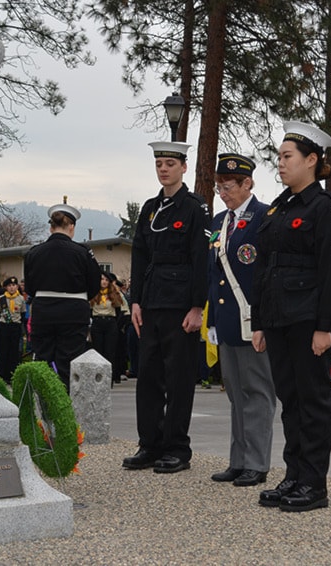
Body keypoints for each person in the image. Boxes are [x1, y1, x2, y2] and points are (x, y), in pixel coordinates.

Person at [251, 121, 331, 512]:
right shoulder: (278, 208)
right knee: (289, 400)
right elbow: (262, 267)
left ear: (312, 160)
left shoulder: (328, 209)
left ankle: (314, 483)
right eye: (278, 156)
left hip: (308, 319)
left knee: (312, 402)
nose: (280, 163)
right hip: (277, 318)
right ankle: (293, 476)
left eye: (287, 156)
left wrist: (325, 326)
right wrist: (258, 321)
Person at [122, 140, 211, 474]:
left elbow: (201, 258)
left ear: (183, 167)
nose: (163, 169)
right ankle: (150, 444)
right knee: (148, 378)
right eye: (159, 163)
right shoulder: (149, 208)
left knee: (178, 378)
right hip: (152, 302)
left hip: (179, 306)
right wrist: (136, 302)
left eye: (170, 164)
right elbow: (140, 255)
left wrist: (196, 306)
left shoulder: (194, 207)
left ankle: (176, 447)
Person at [207, 153, 276, 487]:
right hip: (227, 320)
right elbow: (214, 273)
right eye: (219, 186)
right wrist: (212, 320)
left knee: (257, 392)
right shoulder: (219, 221)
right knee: (235, 393)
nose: (223, 192)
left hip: (253, 321)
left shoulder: (264, 218)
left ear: (248, 183)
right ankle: (238, 459)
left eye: (229, 186)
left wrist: (263, 320)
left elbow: (265, 276)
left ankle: (257, 462)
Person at [24, 199, 102, 391]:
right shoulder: (83, 253)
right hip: (73, 313)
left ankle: (42, 410)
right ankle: (66, 412)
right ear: (72, 227)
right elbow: (94, 285)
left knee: (42, 362)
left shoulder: (34, 252)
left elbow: (30, 287)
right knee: (69, 364)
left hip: (44, 311)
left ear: (51, 228)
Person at [89, 271, 124, 385]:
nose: (103, 282)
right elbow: (89, 311)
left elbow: (119, 311)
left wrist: (113, 323)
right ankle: (98, 377)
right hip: (97, 322)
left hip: (110, 323)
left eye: (106, 280)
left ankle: (109, 378)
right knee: (98, 351)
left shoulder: (114, 294)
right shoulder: (94, 294)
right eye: (102, 279)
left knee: (110, 351)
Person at [0, 276, 26, 384]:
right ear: (6, 287)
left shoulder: (21, 299)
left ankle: (12, 376)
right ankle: (1, 375)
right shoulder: (2, 298)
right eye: (9, 286)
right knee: (3, 351)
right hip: (5, 326)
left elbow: (22, 314)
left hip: (15, 327)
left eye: (14, 285)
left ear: (17, 286)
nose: (12, 288)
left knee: (14, 352)